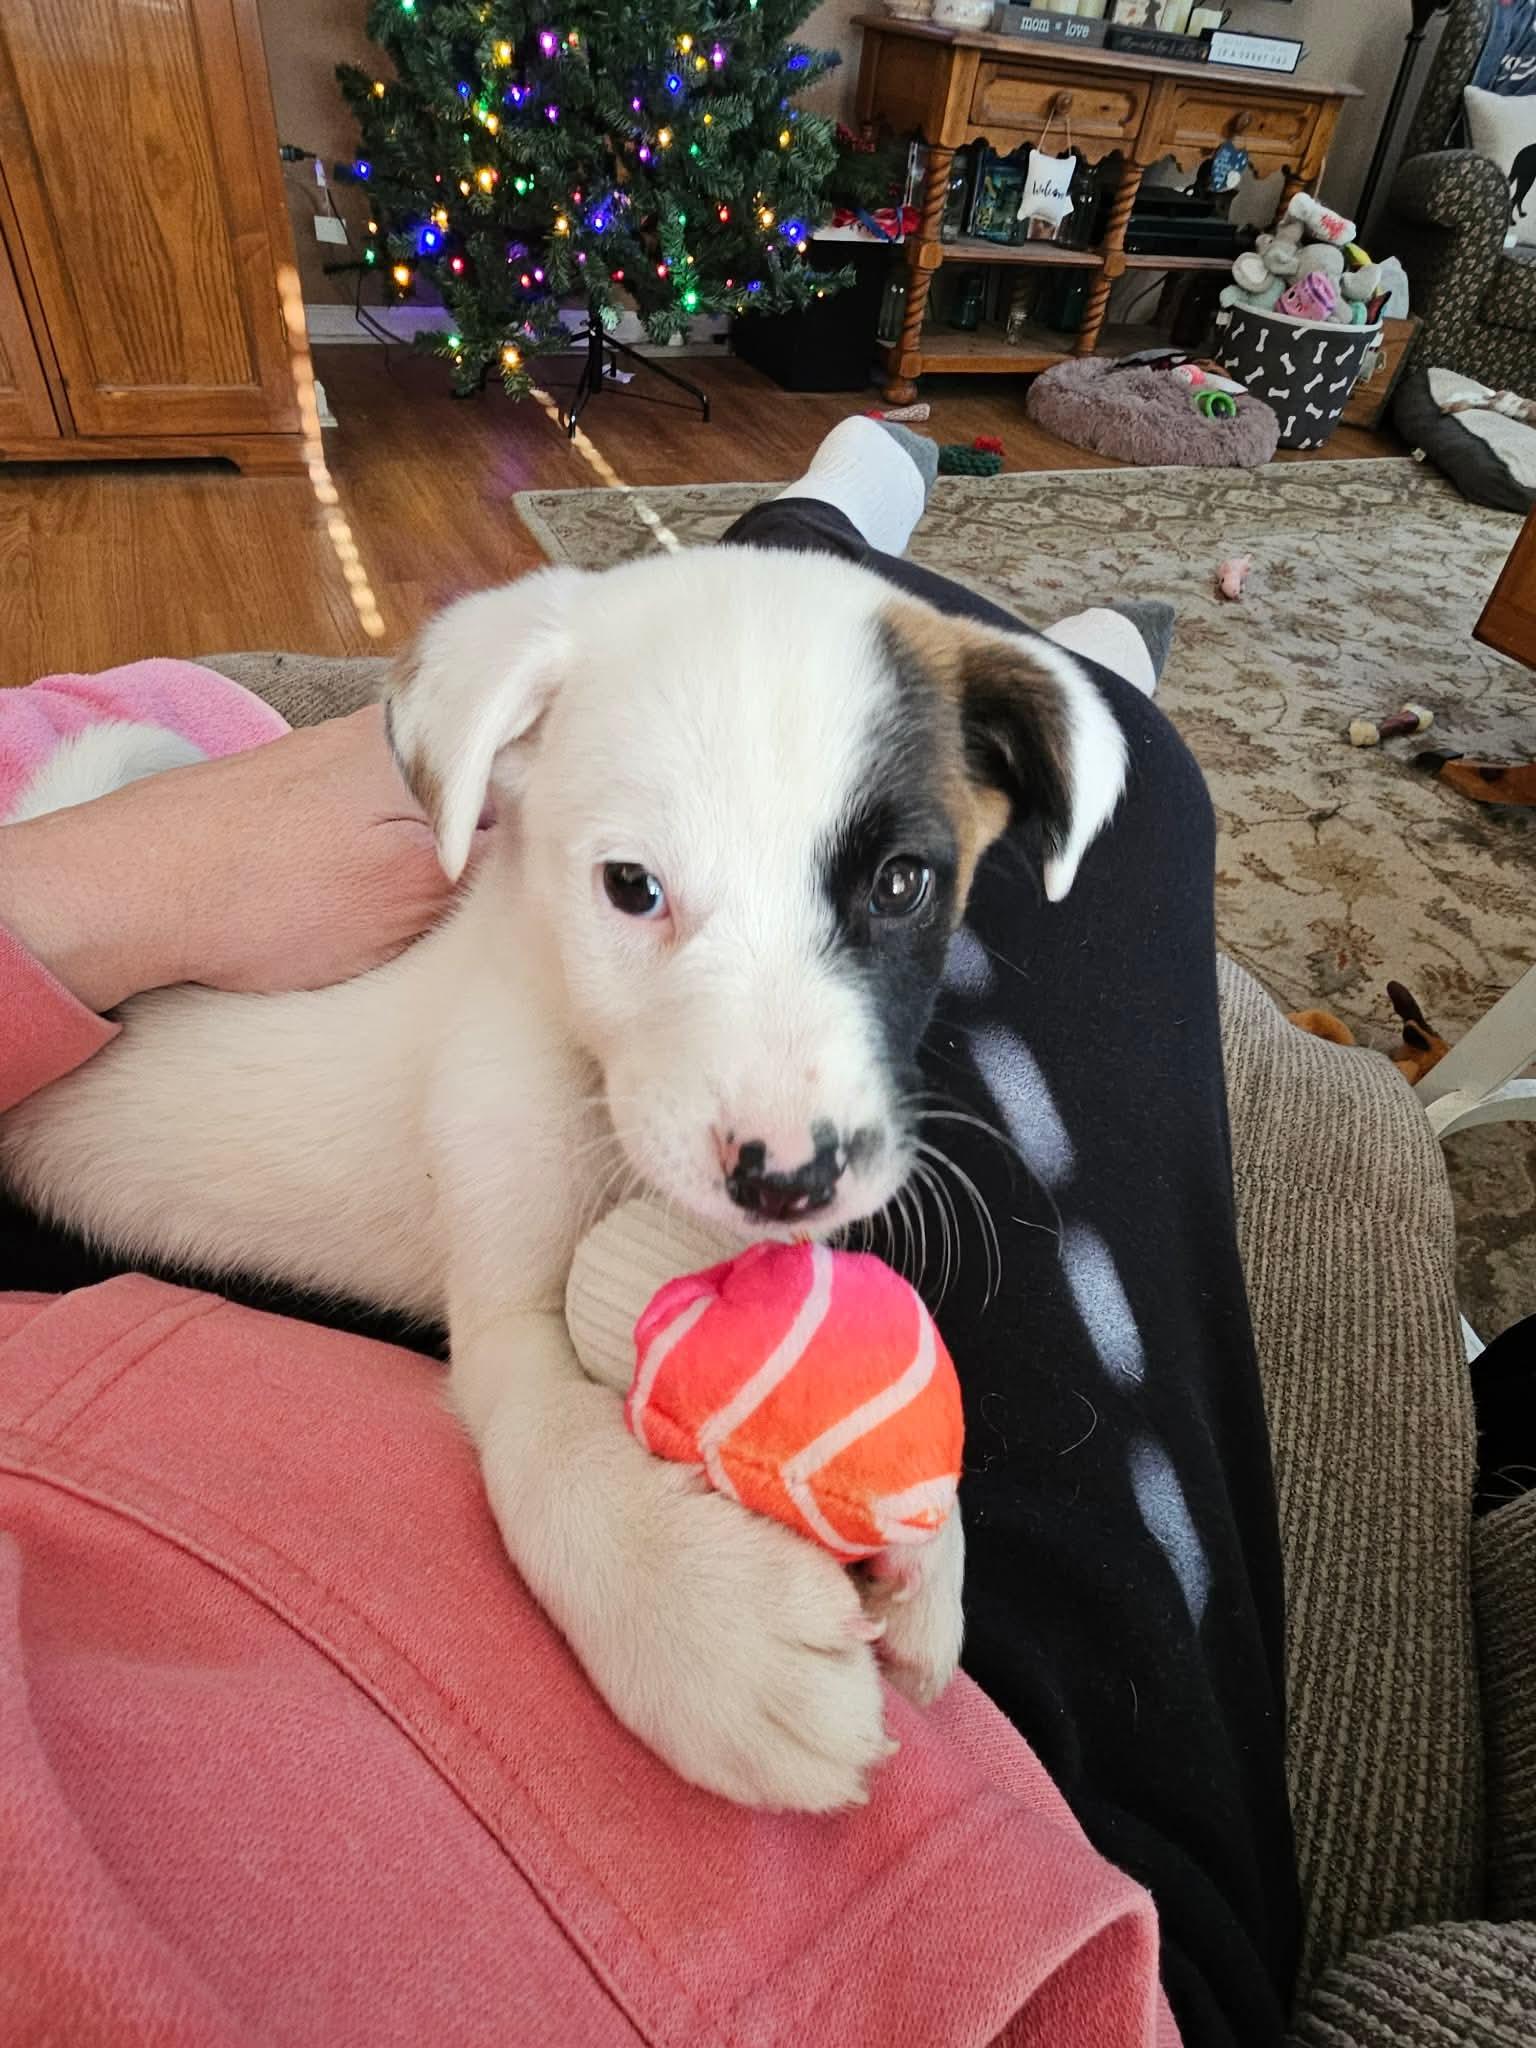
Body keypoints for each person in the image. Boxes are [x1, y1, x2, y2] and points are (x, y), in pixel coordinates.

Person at [0, 422, 1296, 2047]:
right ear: (501, 769)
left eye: (889, 888)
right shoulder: (499, 1034)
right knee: (1135, 801)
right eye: (635, 893)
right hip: (1071, 1917)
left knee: (946, 749)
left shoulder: (574, 852)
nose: (786, 1145)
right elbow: (516, 1357)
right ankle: (923, 584)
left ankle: (862, 552)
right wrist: (642, 1587)